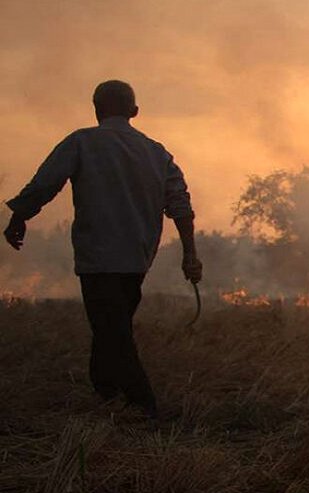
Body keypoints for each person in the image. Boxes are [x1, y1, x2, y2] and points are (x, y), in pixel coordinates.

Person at [3, 80, 202, 419]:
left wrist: (20, 216)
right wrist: (190, 254)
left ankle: (144, 404)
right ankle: (105, 390)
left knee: (112, 329)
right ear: (134, 112)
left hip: (98, 255)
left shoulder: (81, 141)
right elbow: (180, 206)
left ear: (96, 109)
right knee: (112, 323)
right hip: (138, 257)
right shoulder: (157, 153)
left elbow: (45, 183)